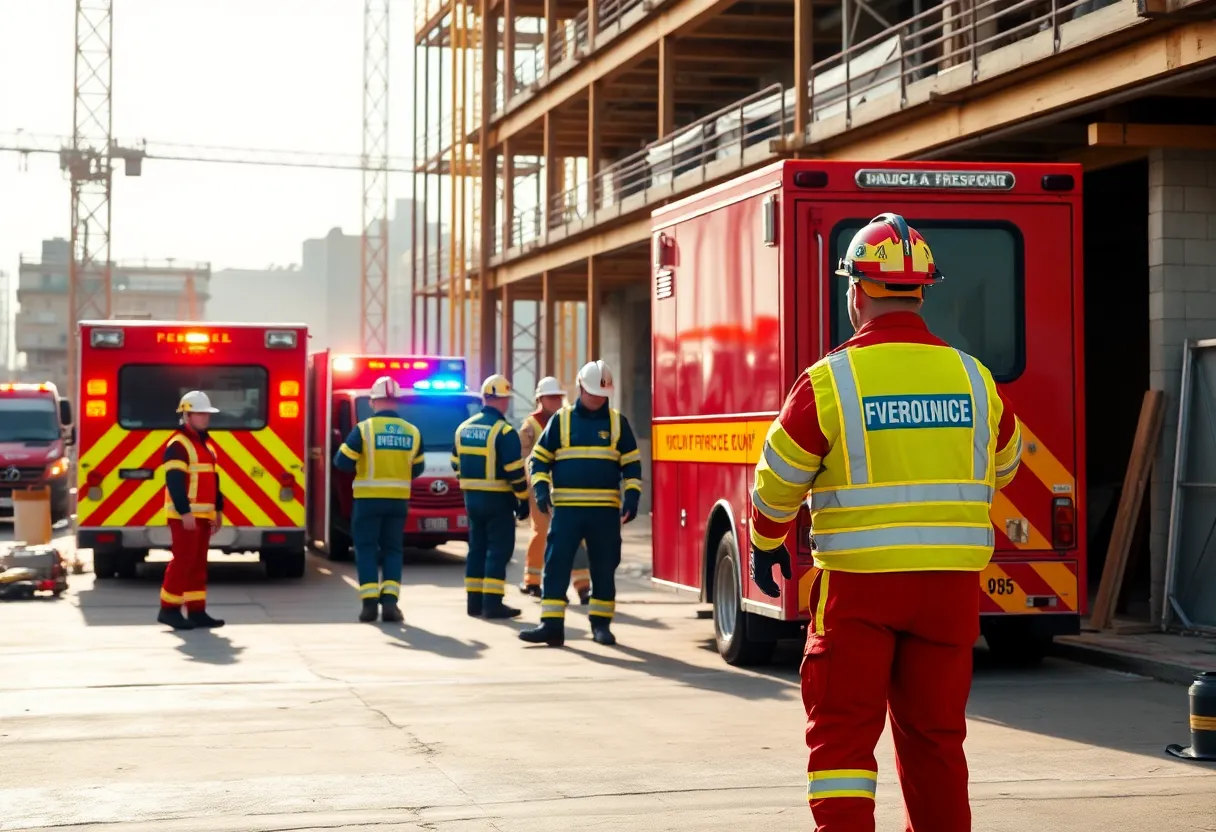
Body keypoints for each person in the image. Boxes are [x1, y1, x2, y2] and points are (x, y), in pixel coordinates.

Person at [747, 213, 1023, 832]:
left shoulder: (829, 382)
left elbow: (776, 484)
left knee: (843, 741)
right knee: (936, 742)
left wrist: (765, 542)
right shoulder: (974, 378)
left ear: (857, 290)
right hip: (950, 593)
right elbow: (1003, 468)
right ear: (922, 291)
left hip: (859, 588)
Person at [519, 360, 642, 647]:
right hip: (567, 512)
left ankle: (601, 625)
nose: (598, 399)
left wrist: (633, 495)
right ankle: (551, 625)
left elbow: (632, 464)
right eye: (593, 393)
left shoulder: (616, 422)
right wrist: (539, 489)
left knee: (603, 567)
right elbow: (539, 459)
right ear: (580, 389)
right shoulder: (560, 421)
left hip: (604, 513)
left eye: (603, 395)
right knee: (556, 565)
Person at [334, 376, 425, 623]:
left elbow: (341, 462)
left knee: (366, 551)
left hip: (367, 500)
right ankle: (391, 606)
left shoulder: (363, 430)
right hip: (398, 501)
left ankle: (369, 606)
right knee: (393, 551)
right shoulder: (413, 432)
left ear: (374, 402)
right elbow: (417, 469)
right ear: (397, 402)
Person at [452, 374, 529, 619]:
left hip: (472, 500)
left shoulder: (464, 428)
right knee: (499, 551)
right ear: (504, 401)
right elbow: (515, 471)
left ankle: (474, 603)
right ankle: (493, 604)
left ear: (485, 398)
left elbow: (455, 463)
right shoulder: (504, 432)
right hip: (498, 501)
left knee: (477, 549)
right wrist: (523, 498)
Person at [517, 375, 591, 604]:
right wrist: (525, 488)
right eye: (551, 398)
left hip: (566, 489)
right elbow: (523, 458)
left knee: (576, 537)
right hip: (540, 488)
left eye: (558, 397)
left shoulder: (567, 420)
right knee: (541, 534)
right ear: (540, 399)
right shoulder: (530, 425)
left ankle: (583, 587)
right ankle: (532, 581)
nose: (556, 401)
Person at [158, 390, 226, 631]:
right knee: (183, 562)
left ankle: (196, 611)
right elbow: (174, 482)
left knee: (197, 564)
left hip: (203, 516)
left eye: (207, 414)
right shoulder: (178, 445)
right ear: (187, 415)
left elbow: (214, 481)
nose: (206, 418)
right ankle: (169, 609)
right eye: (200, 413)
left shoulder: (205, 445)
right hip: (185, 517)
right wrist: (185, 512)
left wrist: (218, 510)